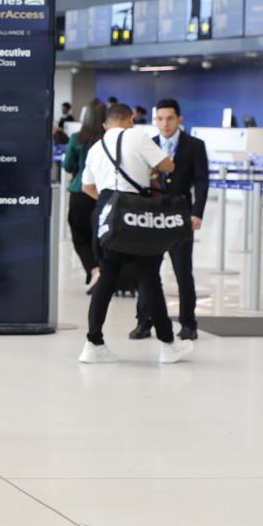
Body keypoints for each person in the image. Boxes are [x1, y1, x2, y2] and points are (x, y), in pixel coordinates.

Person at [79, 102, 192, 365]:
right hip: (135, 215)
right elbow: (168, 166)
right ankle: (168, 345)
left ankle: (93, 343)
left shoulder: (96, 147)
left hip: (105, 214)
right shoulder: (137, 136)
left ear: (106, 124)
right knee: (148, 278)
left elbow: (87, 187)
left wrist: (110, 203)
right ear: (131, 119)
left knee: (106, 278)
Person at [130, 98, 209, 342]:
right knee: (147, 271)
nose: (165, 124)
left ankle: (188, 323)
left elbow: (201, 181)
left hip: (180, 215)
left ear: (179, 119)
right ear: (155, 120)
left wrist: (197, 212)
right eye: (160, 118)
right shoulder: (148, 145)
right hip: (152, 215)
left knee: (183, 271)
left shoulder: (194, 146)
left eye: (170, 118)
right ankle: (144, 322)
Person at [62, 100, 105, 292]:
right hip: (103, 192)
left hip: (80, 191)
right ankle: (102, 270)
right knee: (101, 235)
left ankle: (94, 270)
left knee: (80, 236)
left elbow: (67, 165)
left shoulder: (77, 138)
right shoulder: (109, 139)